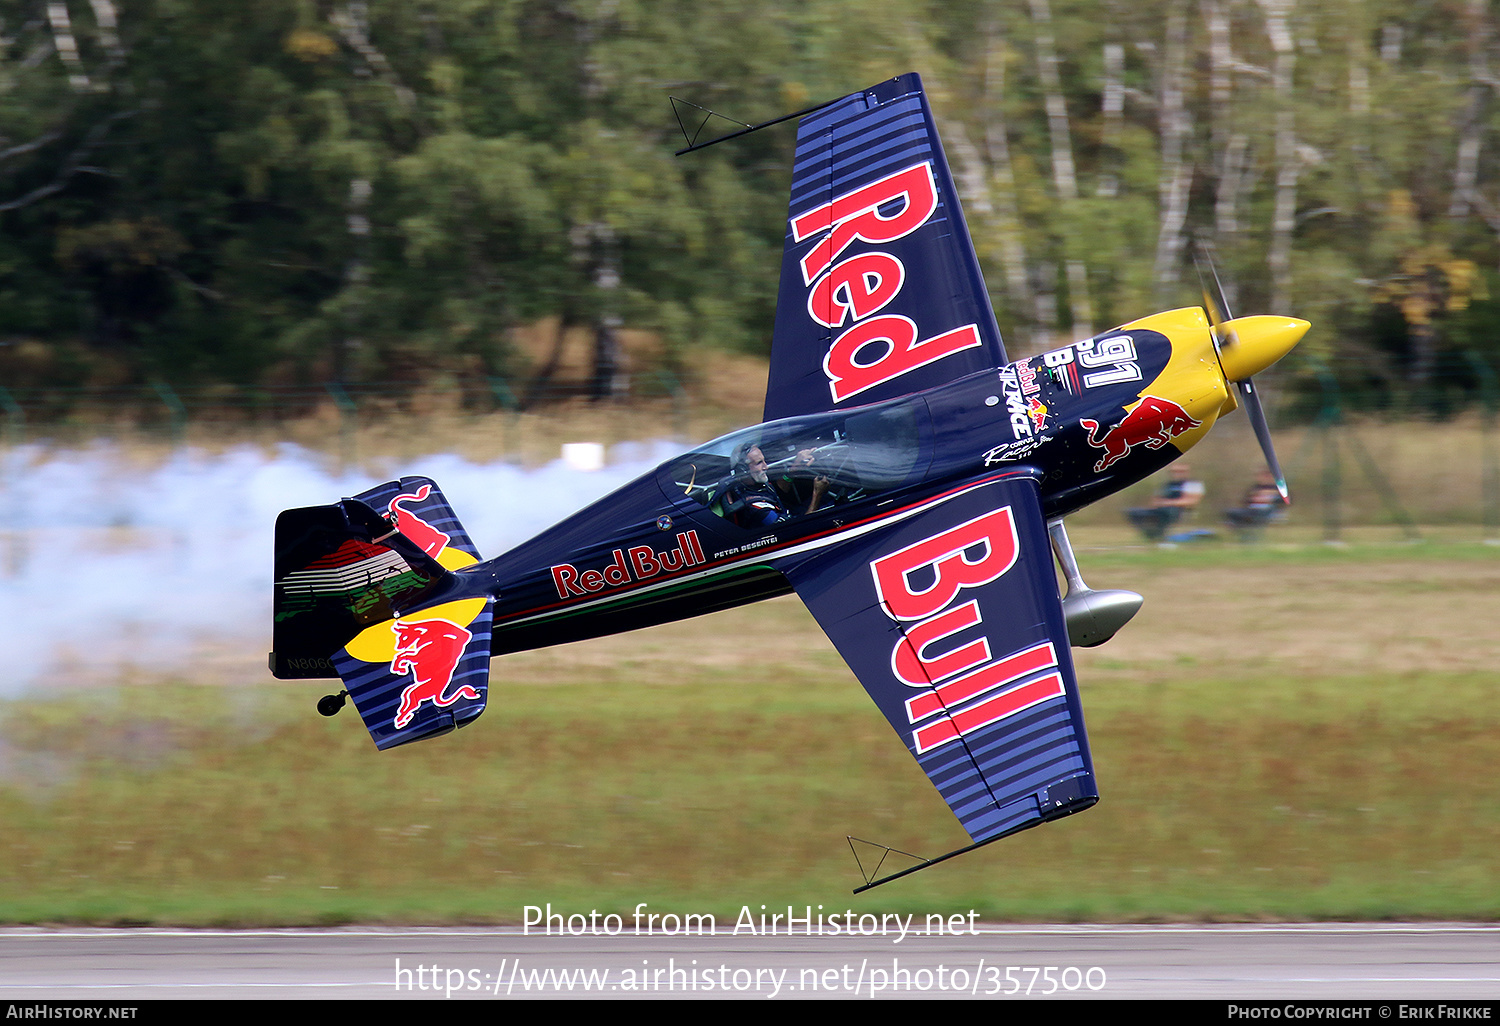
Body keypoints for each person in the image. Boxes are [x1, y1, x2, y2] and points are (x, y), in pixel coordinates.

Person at [713, 443, 829, 528]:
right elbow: (799, 529)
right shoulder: (758, 510)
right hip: (791, 527)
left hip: (787, 513)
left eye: (764, 461)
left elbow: (780, 490)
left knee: (827, 499)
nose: (766, 467)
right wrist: (817, 493)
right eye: (759, 463)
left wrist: (795, 468)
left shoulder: (751, 483)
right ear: (743, 470)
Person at [1126, 463, 1204, 542]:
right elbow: (1157, 499)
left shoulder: (1192, 484)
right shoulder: (1167, 485)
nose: (1177, 474)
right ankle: (1151, 534)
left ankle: (1161, 535)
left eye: (1180, 471)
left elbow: (1191, 501)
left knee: (1167, 511)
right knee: (1135, 512)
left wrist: (1168, 503)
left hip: (1179, 511)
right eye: (1174, 471)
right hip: (1161, 508)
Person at [1224, 470, 1284, 540]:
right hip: (1251, 509)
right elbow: (1245, 500)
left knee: (1250, 517)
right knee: (1232, 513)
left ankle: (1247, 535)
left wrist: (1271, 497)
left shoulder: (1277, 488)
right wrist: (1254, 498)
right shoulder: (1255, 488)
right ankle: (1245, 534)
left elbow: (1283, 501)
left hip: (1265, 510)